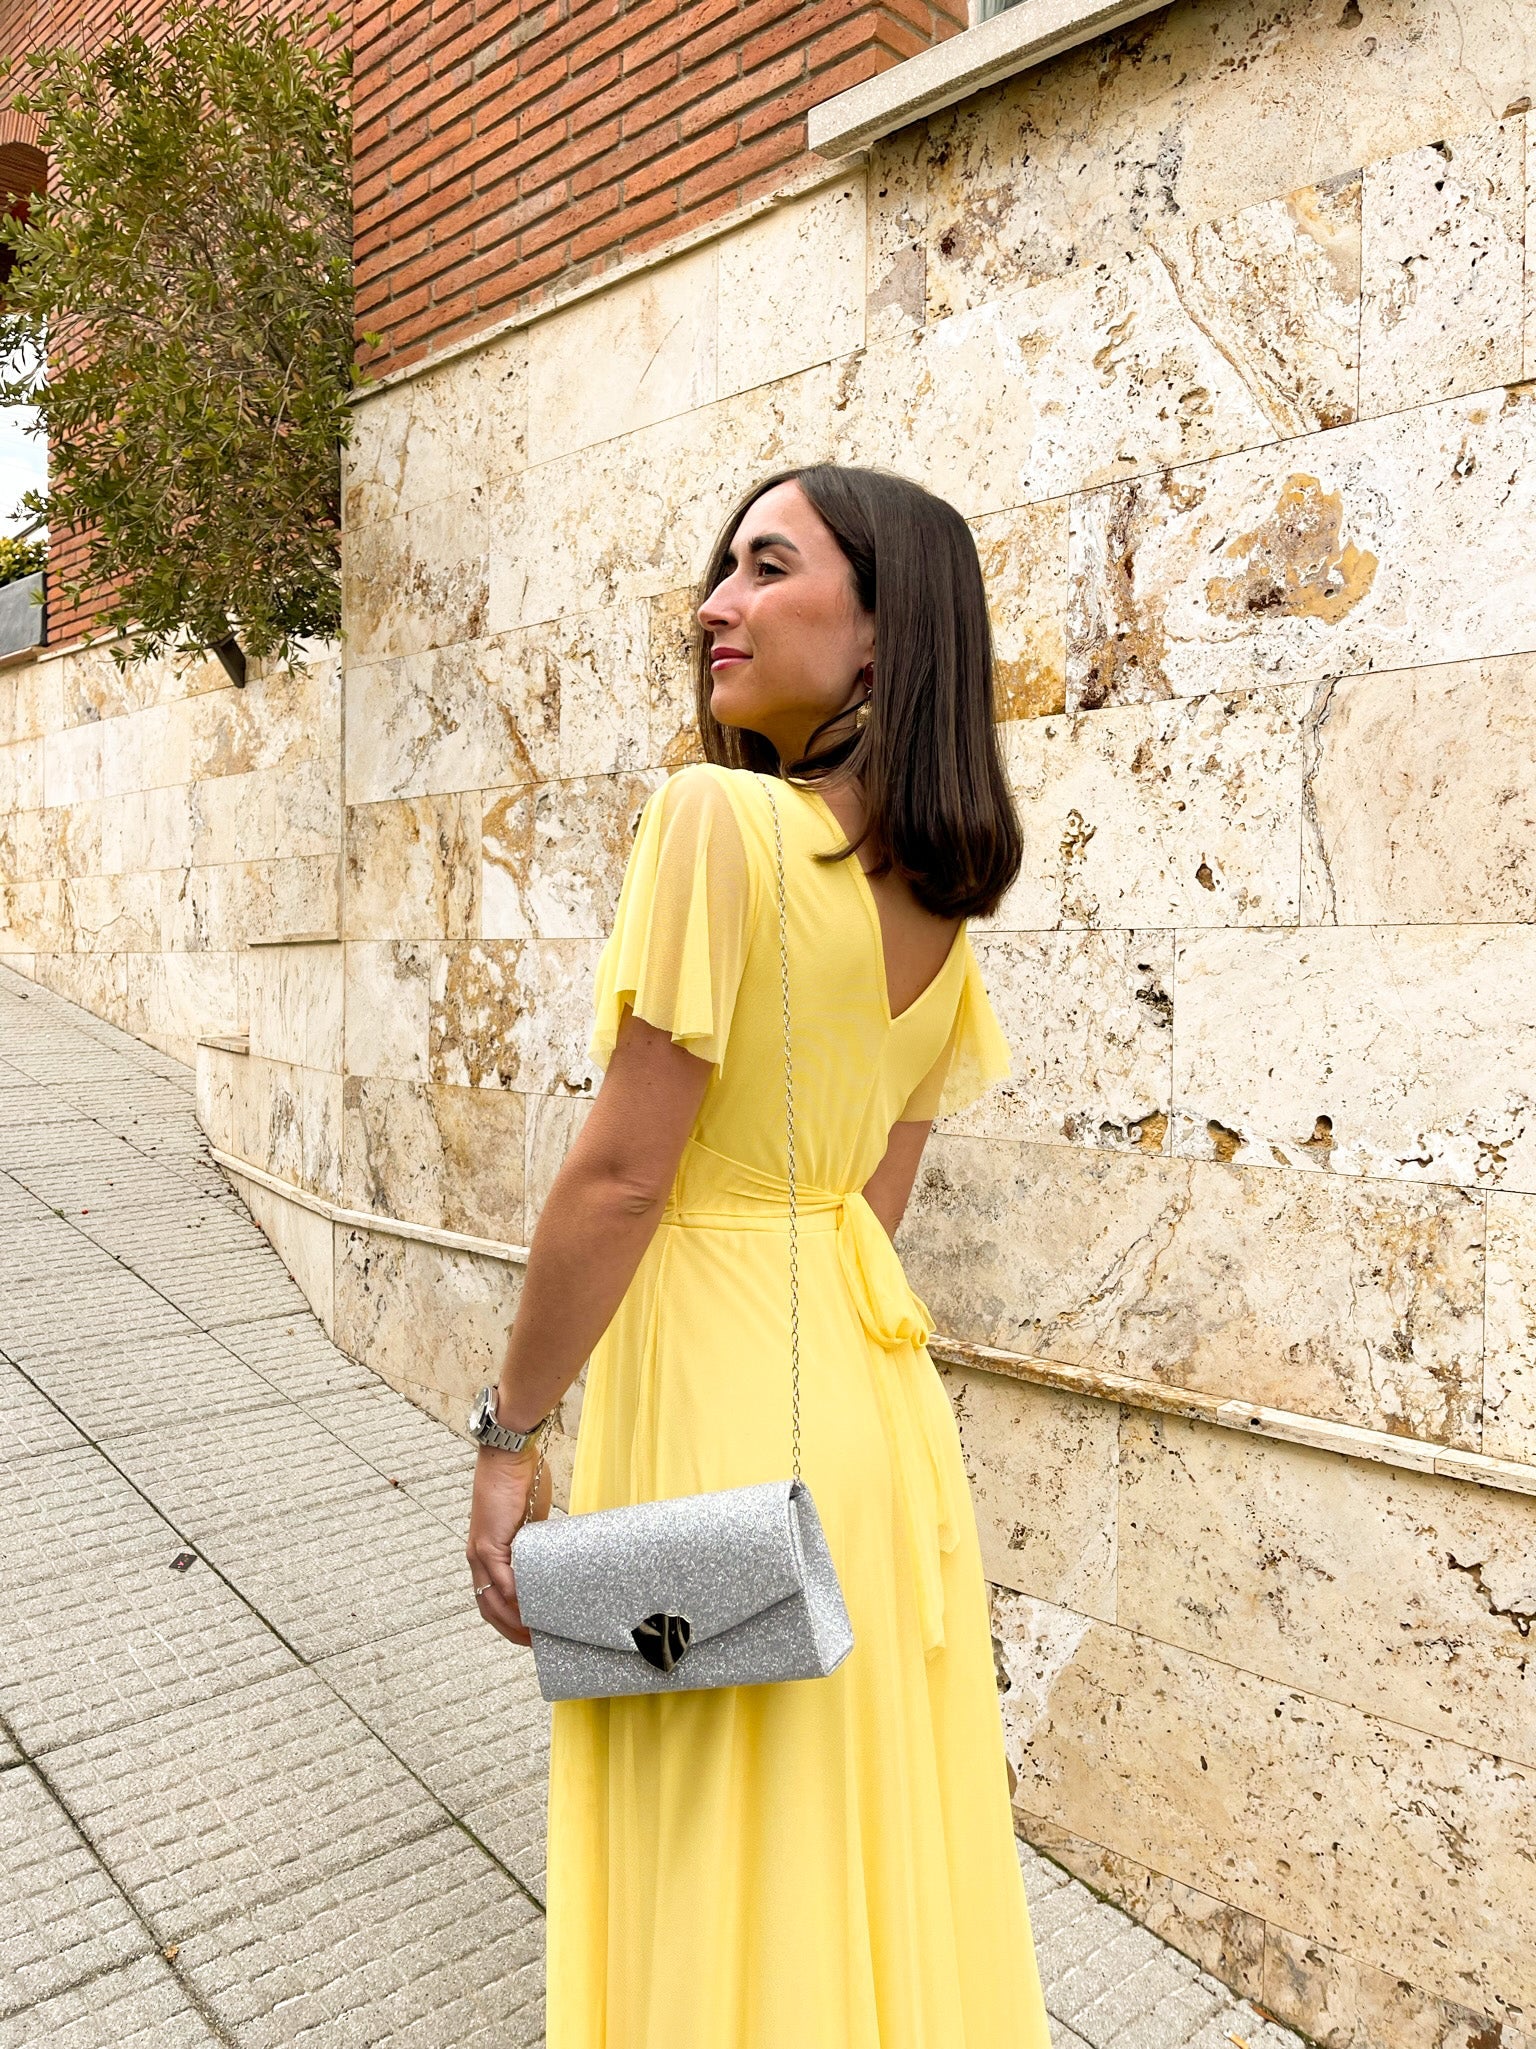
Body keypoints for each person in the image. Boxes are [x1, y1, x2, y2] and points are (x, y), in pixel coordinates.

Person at [466, 462, 1051, 2047]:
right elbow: (874, 1200)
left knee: (713, 1822)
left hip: (723, 1385)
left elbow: (620, 1177)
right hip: (872, 1414)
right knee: (849, 1837)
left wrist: (506, 1439)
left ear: (880, 636)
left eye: (764, 567)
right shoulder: (942, 901)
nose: (714, 603)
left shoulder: (712, 818)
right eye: (719, 569)